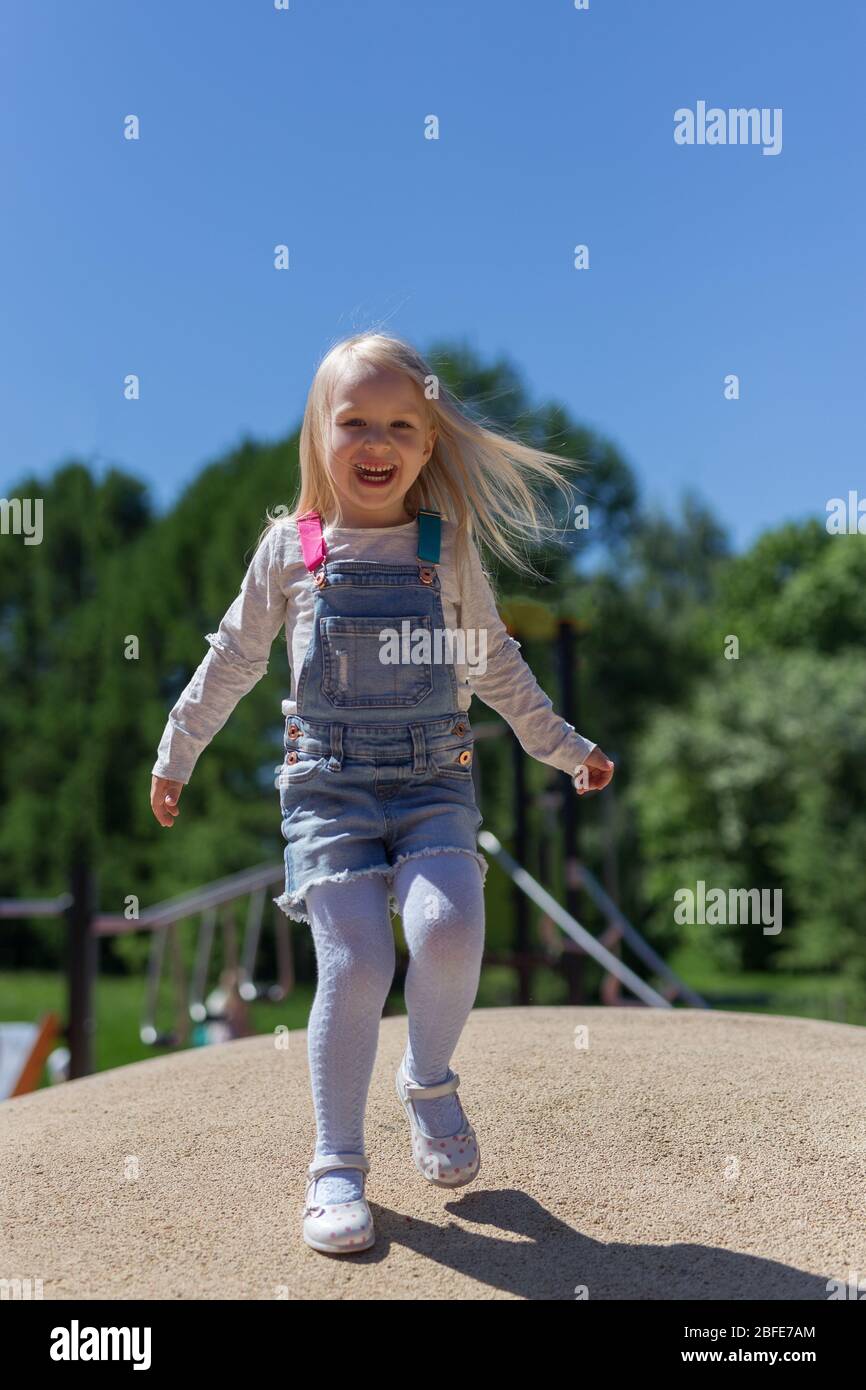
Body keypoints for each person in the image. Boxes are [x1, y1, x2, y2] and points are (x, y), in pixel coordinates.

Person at [150, 331, 614, 1255]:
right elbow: (233, 657)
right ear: (318, 436)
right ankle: (335, 1163)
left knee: (447, 927)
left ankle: (428, 1080)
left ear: (430, 443)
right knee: (358, 962)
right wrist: (177, 751)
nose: (378, 441)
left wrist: (559, 746)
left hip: (432, 781)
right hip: (328, 791)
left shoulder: (447, 548)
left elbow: (491, 661)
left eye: (401, 424)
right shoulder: (292, 549)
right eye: (353, 420)